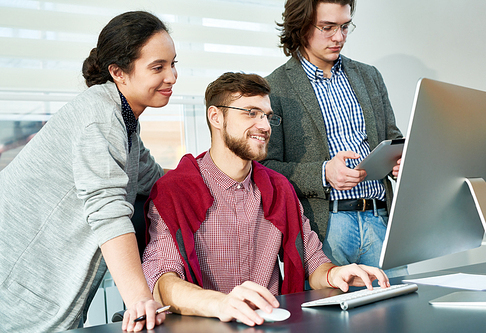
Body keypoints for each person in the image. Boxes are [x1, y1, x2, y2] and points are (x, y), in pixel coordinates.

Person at [142, 72, 390, 327]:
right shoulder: (174, 191)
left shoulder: (279, 188)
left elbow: (312, 262)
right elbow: (163, 281)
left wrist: (337, 273)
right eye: (251, 113)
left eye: (267, 116)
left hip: (271, 326)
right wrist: (221, 303)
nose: (265, 126)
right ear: (216, 117)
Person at [0, 11, 177, 332]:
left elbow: (157, 180)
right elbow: (108, 212)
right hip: (16, 289)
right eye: (158, 67)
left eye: (172, 63)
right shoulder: (99, 117)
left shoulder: (123, 123)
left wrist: (215, 174)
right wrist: (140, 299)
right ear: (119, 72)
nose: (172, 77)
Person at [261, 0, 405, 274]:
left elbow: (392, 139)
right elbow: (266, 169)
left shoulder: (369, 77)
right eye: (327, 28)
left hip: (381, 219)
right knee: (330, 315)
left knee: (400, 311)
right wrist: (324, 173)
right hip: (325, 229)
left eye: (344, 26)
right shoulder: (275, 88)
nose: (339, 37)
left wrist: (401, 163)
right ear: (301, 26)